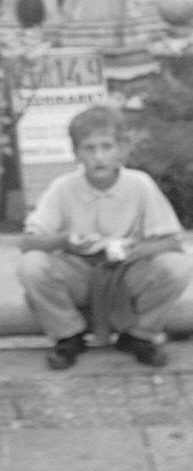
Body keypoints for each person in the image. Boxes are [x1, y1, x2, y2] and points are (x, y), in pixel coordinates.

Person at [17, 104, 192, 369]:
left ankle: (139, 335)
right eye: (89, 149)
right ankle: (68, 335)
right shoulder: (63, 188)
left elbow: (173, 241)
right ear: (76, 153)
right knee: (32, 265)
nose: (99, 157)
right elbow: (27, 242)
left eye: (106, 147)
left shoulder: (140, 185)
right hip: (81, 272)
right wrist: (65, 240)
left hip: (126, 272)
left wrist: (138, 249)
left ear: (121, 149)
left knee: (178, 266)